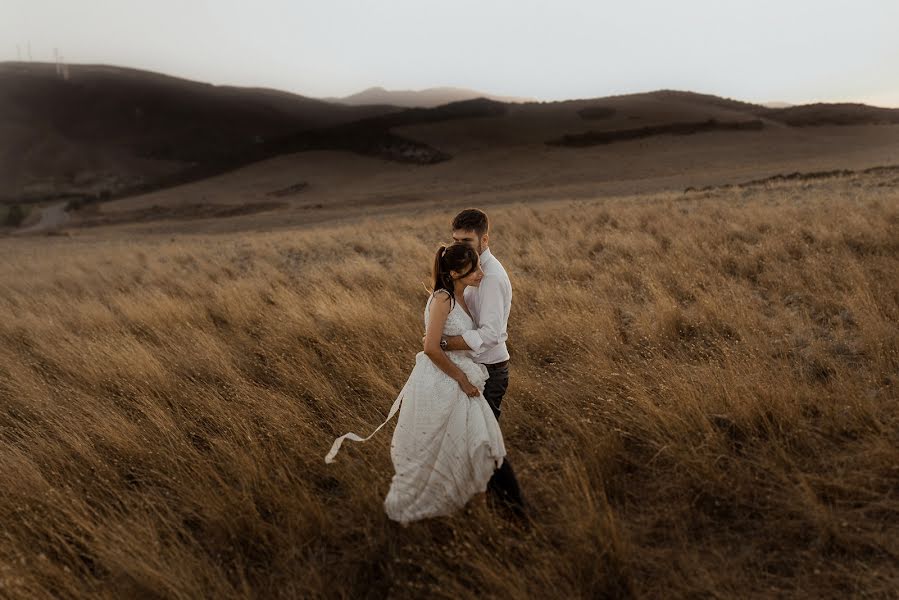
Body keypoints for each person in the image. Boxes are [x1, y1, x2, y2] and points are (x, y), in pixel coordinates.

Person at [325, 242, 506, 525]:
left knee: (476, 449)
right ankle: (433, 510)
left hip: (463, 379)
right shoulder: (443, 299)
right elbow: (431, 348)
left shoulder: (463, 297)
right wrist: (461, 380)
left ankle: (473, 514)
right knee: (441, 449)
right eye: (474, 270)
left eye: (480, 267)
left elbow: (450, 341)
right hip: (444, 381)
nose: (481, 273)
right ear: (456, 273)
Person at [439, 208, 528, 521]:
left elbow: (491, 334)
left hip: (490, 372)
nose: (459, 247)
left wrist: (445, 344)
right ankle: (483, 506)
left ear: (485, 239)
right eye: (455, 241)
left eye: (467, 240)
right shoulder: (468, 269)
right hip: (473, 369)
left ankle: (517, 515)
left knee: (486, 444)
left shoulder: (490, 278)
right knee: (473, 442)